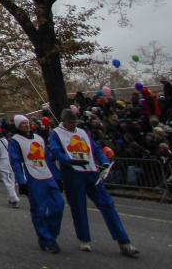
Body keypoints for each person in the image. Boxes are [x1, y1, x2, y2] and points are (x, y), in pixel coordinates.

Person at [49, 109, 139, 257]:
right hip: (73, 174)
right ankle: (84, 238)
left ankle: (124, 241)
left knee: (107, 204)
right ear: (64, 121)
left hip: (91, 173)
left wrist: (104, 162)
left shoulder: (83, 132)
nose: (73, 124)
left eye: (75, 121)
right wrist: (68, 160)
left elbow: (95, 149)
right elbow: (56, 151)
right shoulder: (56, 134)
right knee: (78, 207)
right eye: (70, 122)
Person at [9, 114, 64, 253]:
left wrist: (57, 177)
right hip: (32, 178)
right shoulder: (15, 141)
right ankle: (45, 240)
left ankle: (51, 235)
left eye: (27, 122)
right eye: (22, 124)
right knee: (39, 210)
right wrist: (22, 182)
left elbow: (48, 159)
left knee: (59, 205)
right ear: (17, 126)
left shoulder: (39, 138)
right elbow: (15, 162)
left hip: (47, 175)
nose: (26, 125)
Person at [0, 126, 19, 207]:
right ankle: (10, 198)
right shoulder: (4, 139)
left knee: (7, 181)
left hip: (2, 163)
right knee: (12, 181)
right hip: (9, 161)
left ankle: (14, 199)